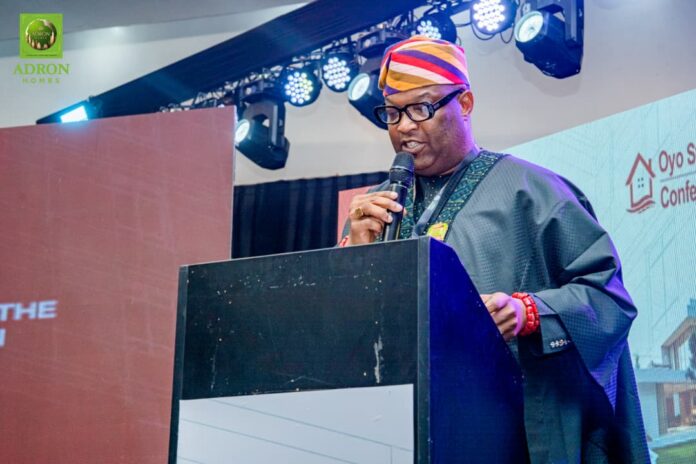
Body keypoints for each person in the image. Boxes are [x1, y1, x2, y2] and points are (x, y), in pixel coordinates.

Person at [341, 36, 649, 463]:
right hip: (397, 434)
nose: (404, 127)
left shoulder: (534, 191)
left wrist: (528, 312)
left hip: (510, 436)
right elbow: (347, 340)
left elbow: (609, 298)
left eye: (421, 109)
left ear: (465, 103)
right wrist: (352, 260)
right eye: (393, 113)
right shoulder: (375, 210)